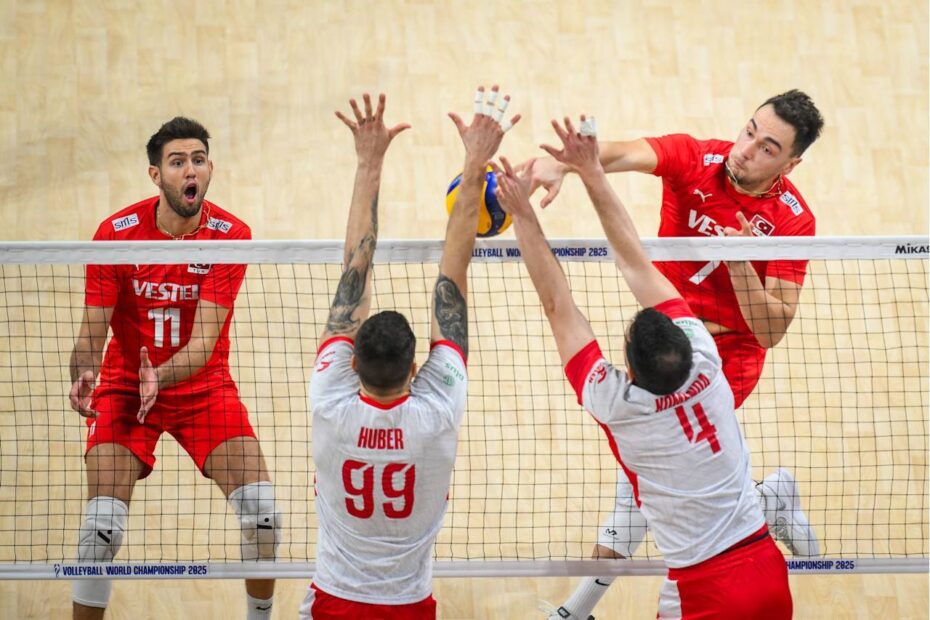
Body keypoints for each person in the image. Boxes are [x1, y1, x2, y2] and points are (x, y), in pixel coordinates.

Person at [522, 91, 824, 619]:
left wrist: (740, 265)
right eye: (749, 131)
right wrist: (560, 165)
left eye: (768, 148)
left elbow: (771, 330)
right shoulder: (696, 158)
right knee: (674, 479)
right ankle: (770, 499)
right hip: (668, 338)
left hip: (722, 359)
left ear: (790, 164)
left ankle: (575, 611)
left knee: (649, 486)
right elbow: (619, 154)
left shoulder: (793, 220)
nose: (746, 148)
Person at [300, 88, 519, 619]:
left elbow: (355, 270)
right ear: (416, 370)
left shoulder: (329, 402)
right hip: (408, 606)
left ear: (352, 364)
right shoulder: (436, 412)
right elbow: (453, 277)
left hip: (332, 602)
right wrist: (475, 164)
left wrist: (368, 162)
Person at [68, 117, 280, 620]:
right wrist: (84, 371)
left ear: (210, 169)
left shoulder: (231, 236)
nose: (191, 170)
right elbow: (91, 334)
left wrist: (160, 376)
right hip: (124, 386)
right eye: (178, 162)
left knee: (263, 516)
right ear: (155, 175)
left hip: (202, 388)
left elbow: (204, 341)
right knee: (100, 529)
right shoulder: (115, 236)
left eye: (198, 160)